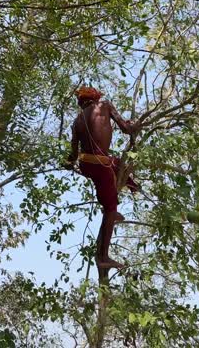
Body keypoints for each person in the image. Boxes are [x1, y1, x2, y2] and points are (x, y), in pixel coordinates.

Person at [65, 86, 139, 270]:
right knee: (110, 205)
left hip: (86, 164)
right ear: (96, 98)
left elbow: (73, 155)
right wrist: (135, 125)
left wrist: (67, 163)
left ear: (81, 103)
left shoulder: (76, 122)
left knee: (117, 163)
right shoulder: (104, 105)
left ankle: (131, 187)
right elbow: (126, 129)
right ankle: (103, 256)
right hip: (99, 165)